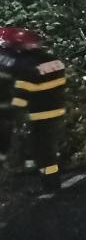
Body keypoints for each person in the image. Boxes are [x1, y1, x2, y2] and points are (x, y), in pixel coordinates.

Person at [0, 28, 67, 191]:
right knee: (47, 146)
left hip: (39, 113)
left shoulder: (27, 65)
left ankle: (50, 182)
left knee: (42, 149)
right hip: (56, 109)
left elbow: (22, 92)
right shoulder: (53, 60)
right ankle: (48, 176)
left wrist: (15, 111)